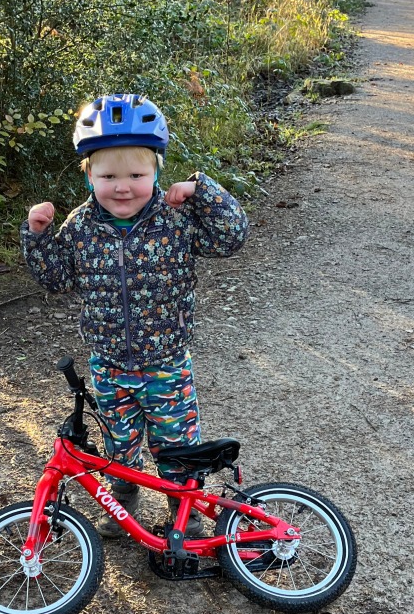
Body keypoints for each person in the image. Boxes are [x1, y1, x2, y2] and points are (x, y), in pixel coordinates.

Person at [20, 93, 249, 538]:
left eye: (137, 175)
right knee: (118, 445)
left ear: (157, 172)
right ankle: (121, 503)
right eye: (108, 176)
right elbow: (55, 279)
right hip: (108, 364)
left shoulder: (176, 220)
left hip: (166, 364)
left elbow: (232, 237)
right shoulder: (81, 225)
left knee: (177, 447)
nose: (122, 186)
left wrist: (203, 193)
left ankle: (183, 513)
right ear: (89, 176)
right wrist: (38, 236)